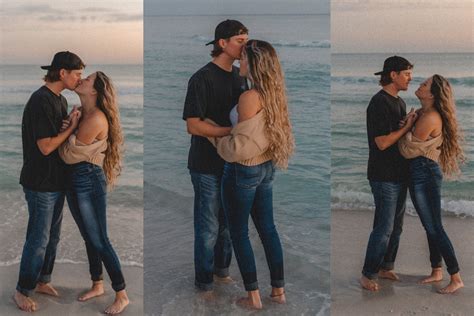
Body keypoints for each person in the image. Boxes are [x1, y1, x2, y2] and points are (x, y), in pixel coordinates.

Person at [208, 39, 294, 309]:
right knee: (268, 230)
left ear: (254, 63)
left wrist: (211, 134)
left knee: (239, 233)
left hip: (243, 170)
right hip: (266, 168)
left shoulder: (249, 97)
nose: (239, 62)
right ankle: (278, 292)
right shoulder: (274, 93)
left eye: (243, 58)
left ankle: (253, 296)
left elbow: (238, 148)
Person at [14, 51, 84, 312]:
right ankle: (22, 291)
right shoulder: (40, 100)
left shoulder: (59, 100)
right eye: (76, 73)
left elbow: (57, 136)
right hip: (39, 182)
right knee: (38, 238)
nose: (80, 78)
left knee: (52, 237)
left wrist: (69, 123)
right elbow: (45, 147)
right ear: (62, 73)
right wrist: (69, 129)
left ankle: (42, 280)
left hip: (55, 181)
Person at [182, 20, 249, 293]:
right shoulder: (202, 78)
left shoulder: (240, 77)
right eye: (240, 42)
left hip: (233, 163)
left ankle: (222, 272)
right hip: (205, 164)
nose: (246, 47)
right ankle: (204, 283)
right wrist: (230, 132)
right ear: (223, 43)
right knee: (208, 226)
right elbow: (193, 124)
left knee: (229, 225)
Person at [59, 71, 129, 314]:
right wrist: (71, 129)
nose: (81, 80)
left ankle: (121, 294)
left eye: (87, 79)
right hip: (76, 179)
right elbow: (70, 148)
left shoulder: (95, 118)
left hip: (87, 180)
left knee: (100, 238)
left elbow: (67, 154)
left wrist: (70, 128)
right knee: (89, 237)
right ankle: (97, 284)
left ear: (94, 91)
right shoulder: (82, 111)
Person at [399, 74, 465, 294]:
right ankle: (436, 270)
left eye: (424, 85)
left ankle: (455, 277)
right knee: (431, 225)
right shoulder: (423, 113)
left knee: (434, 226)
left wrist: (406, 127)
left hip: (424, 172)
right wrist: (409, 125)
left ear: (433, 93)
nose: (419, 85)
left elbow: (407, 150)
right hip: (423, 171)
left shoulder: (429, 117)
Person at [360, 56, 417, 291]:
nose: (410, 78)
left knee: (396, 226)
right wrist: (406, 127)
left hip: (399, 173)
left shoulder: (399, 103)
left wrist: (408, 121)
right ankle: (368, 273)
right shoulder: (379, 103)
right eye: (406, 74)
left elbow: (397, 134)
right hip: (383, 175)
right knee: (383, 228)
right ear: (392, 75)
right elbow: (382, 142)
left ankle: (386, 266)